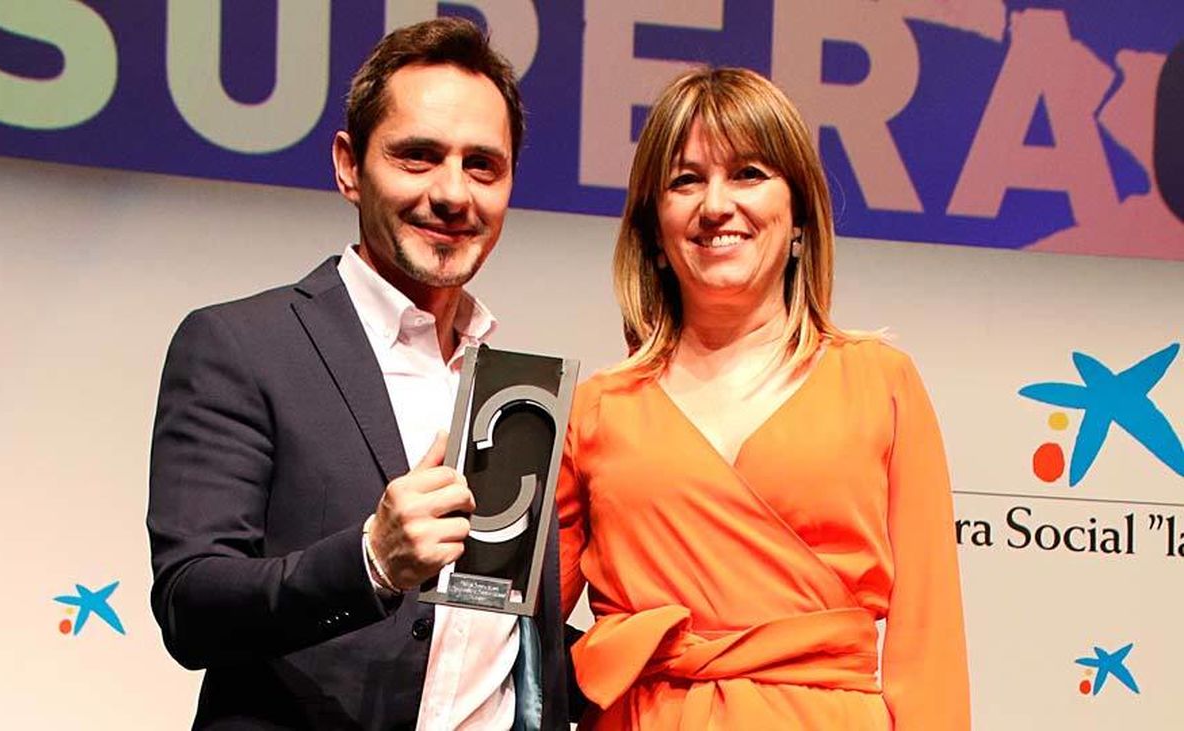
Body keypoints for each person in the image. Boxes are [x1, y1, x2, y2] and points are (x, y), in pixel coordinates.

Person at [147, 18, 569, 730]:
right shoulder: (241, 345)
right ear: (348, 165)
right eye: (418, 157)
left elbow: (501, 641)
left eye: (482, 166)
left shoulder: (512, 390)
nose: (452, 193)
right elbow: (192, 604)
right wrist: (371, 559)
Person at [556, 67, 970, 729]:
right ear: (653, 229)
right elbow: (503, 625)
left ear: (800, 215)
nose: (716, 204)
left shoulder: (881, 382)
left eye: (748, 173)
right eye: (686, 179)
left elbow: (930, 650)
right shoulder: (593, 408)